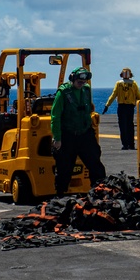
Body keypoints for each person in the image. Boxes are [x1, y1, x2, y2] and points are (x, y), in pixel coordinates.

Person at [50, 67, 107, 196]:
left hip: (84, 134)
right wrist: (57, 138)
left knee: (96, 165)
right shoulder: (63, 93)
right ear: (73, 79)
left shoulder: (86, 90)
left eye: (84, 82)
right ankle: (60, 194)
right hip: (68, 135)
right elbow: (55, 116)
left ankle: (99, 192)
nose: (81, 84)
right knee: (64, 168)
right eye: (79, 82)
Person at [102, 68, 140, 150]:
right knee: (130, 126)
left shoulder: (118, 84)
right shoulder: (133, 84)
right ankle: (131, 144)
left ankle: (125, 145)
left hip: (121, 107)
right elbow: (139, 95)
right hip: (130, 108)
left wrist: (107, 105)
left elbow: (113, 95)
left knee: (123, 126)